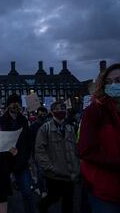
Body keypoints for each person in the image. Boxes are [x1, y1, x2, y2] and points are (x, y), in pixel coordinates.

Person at [78, 63, 120, 213]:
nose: (114, 85)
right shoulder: (94, 111)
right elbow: (86, 150)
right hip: (105, 189)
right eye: (109, 82)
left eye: (119, 81)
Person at [35, 101, 80, 213]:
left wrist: (77, 167)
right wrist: (49, 167)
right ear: (52, 111)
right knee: (53, 198)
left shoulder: (70, 128)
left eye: (63, 108)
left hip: (70, 173)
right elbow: (39, 150)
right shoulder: (45, 128)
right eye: (57, 108)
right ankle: (42, 207)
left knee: (68, 202)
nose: (61, 111)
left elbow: (75, 148)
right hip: (54, 174)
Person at [0, 94, 35, 213]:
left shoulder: (23, 120)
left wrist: (26, 156)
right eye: (13, 103)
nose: (15, 105)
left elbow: (28, 140)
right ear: (8, 105)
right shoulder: (1, 121)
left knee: (27, 192)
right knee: (1, 192)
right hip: (5, 161)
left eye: (17, 103)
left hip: (21, 161)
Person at [29, 106, 49, 196]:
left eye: (44, 113)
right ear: (37, 115)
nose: (43, 115)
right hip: (37, 152)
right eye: (41, 113)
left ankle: (42, 188)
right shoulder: (33, 127)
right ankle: (42, 190)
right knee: (40, 171)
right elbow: (30, 141)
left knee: (46, 171)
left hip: (48, 152)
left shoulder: (48, 125)